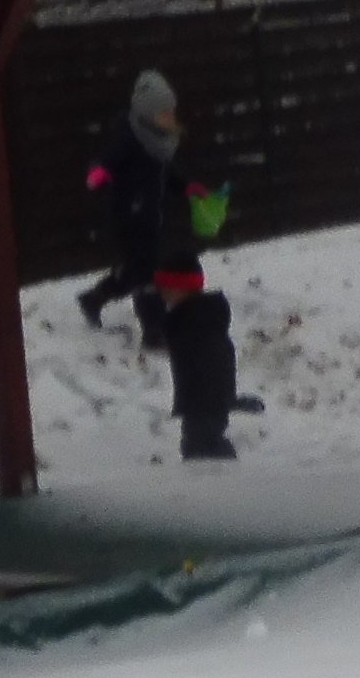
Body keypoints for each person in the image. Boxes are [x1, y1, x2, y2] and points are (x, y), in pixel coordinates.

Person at [80, 68, 252, 462]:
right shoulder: (130, 138)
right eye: (164, 113)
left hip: (149, 215)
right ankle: (153, 327)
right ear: (146, 113)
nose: (170, 119)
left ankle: (94, 298)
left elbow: (167, 174)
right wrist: (98, 172)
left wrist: (187, 186)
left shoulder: (159, 143)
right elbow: (108, 160)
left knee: (135, 271)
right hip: (129, 215)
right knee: (144, 275)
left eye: (171, 113)